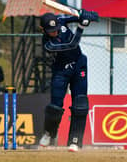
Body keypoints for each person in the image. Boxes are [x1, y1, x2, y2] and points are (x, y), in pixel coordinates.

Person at [39, 9, 99, 152]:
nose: (55, 32)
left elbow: (75, 18)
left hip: (79, 65)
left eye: (56, 29)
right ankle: (49, 133)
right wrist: (81, 27)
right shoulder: (48, 44)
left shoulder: (60, 20)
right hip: (60, 70)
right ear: (43, 30)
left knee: (80, 103)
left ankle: (75, 141)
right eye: (51, 31)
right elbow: (72, 44)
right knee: (55, 106)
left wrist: (83, 15)